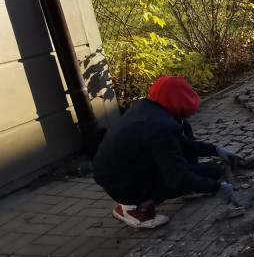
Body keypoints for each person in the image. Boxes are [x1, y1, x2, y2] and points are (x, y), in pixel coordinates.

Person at [92, 76, 239, 228]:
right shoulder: (161, 128)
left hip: (129, 168)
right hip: (123, 183)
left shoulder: (149, 109)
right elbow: (177, 178)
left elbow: (183, 143)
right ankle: (134, 209)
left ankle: (190, 188)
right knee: (177, 182)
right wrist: (217, 188)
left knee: (212, 170)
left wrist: (215, 149)